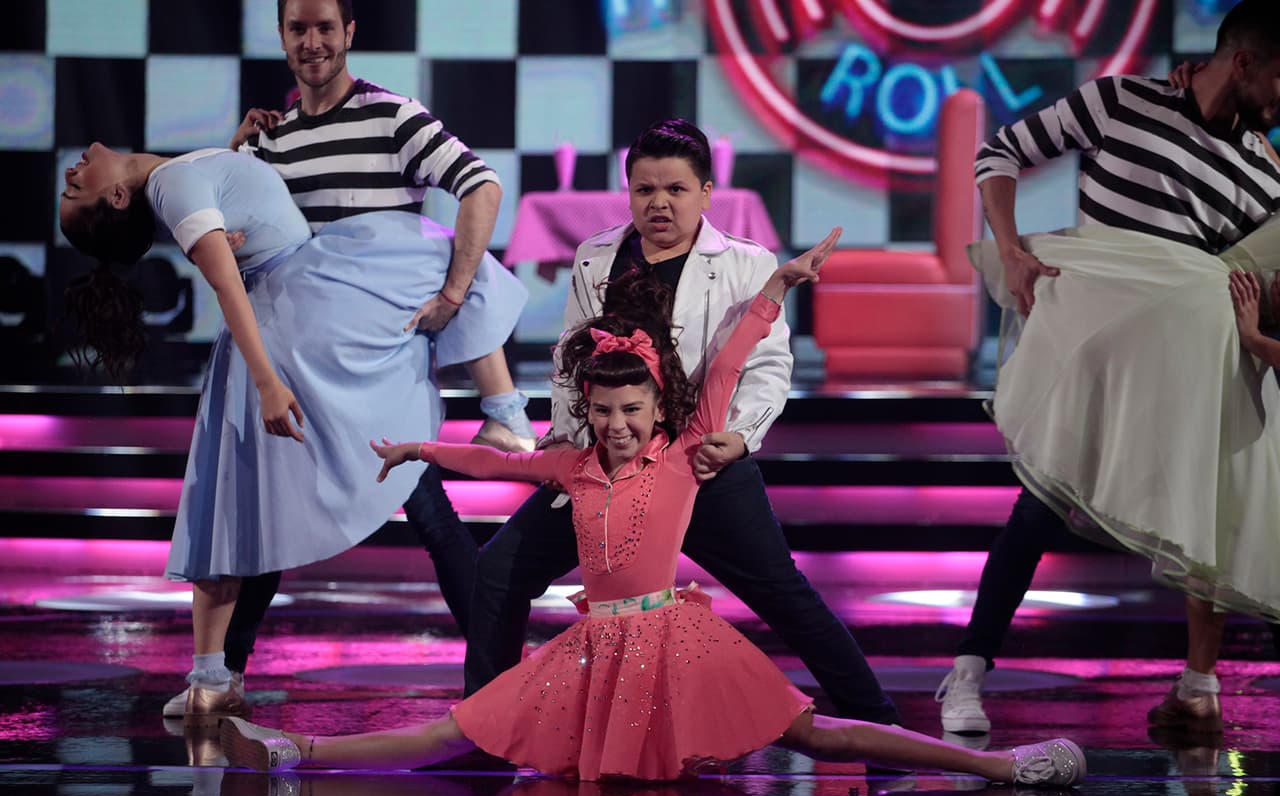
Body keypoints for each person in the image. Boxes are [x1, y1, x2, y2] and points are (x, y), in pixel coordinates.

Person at [218, 255, 1085, 788]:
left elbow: (735, 357)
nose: (618, 424)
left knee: (814, 733)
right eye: (604, 410)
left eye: (632, 408)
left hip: (676, 641)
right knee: (462, 726)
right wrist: (420, 449)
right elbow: (500, 462)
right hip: (594, 649)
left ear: (654, 405)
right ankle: (294, 753)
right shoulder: (574, 466)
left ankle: (1001, 766)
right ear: (588, 408)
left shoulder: (681, 451)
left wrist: (777, 287)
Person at [157, 0, 535, 719]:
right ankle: (224, 672)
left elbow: (479, 183)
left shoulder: (393, 116)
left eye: (325, 26)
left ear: (350, 32)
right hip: (299, 363)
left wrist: (454, 289)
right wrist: (236, 157)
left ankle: (500, 681)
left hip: (375, 370)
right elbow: (234, 237)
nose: (312, 42)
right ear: (281, 38)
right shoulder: (268, 142)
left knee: (427, 510)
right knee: (266, 513)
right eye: (297, 28)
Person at [57, 143, 526, 721]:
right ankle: (505, 414)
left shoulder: (172, 179)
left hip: (299, 304)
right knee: (440, 251)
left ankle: (216, 672)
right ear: (119, 196)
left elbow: (212, 199)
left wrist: (234, 146)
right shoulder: (172, 187)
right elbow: (229, 286)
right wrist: (266, 382)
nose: (73, 169)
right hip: (295, 319)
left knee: (252, 512)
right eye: (76, 187)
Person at [459, 118, 902, 726]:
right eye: (645, 190)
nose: (659, 203)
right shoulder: (597, 256)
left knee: (784, 597)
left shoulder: (746, 263)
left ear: (706, 192)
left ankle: (883, 725)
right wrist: (567, 437)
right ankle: (488, 724)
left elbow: (769, 362)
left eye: (675, 189)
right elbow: (571, 357)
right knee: (499, 569)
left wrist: (742, 436)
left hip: (700, 462)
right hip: (609, 467)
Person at [937, 0, 1280, 736]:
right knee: (1036, 505)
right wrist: (1015, 249)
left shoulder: (1263, 173)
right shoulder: (1122, 99)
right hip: (1088, 341)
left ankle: (1198, 686)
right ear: (1245, 62)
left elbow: (1258, 274)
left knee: (1201, 510)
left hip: (1178, 362)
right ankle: (966, 673)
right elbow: (1000, 151)